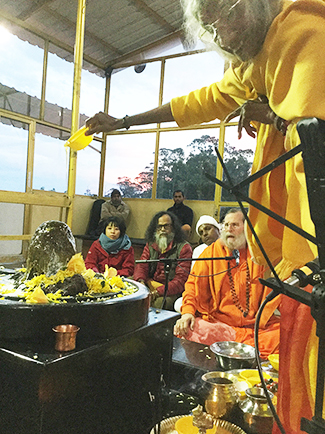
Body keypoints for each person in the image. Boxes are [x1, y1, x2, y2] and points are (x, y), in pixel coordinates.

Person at [85, 1, 325, 431]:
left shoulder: (305, 33)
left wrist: (271, 115)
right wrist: (121, 121)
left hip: (315, 247)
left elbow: (317, 137)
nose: (222, 35)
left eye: (224, 16)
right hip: (298, 260)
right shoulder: (256, 64)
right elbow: (198, 102)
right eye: (209, 28)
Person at [174, 209, 281, 359]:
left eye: (235, 225)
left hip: (256, 327)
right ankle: (245, 352)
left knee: (287, 333)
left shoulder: (260, 255)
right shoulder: (211, 254)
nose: (229, 229)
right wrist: (187, 313)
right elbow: (193, 286)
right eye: (226, 225)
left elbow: (280, 289)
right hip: (220, 325)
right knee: (193, 328)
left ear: (247, 229)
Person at [133, 211, 192, 310]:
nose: (163, 230)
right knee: (128, 285)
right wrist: (141, 282)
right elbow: (142, 265)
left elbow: (181, 280)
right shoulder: (151, 244)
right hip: (149, 284)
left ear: (173, 227)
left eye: (166, 226)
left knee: (159, 304)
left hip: (170, 290)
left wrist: (158, 292)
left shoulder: (184, 247)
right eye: (159, 227)